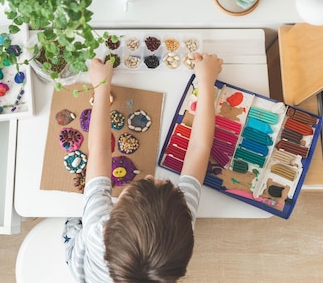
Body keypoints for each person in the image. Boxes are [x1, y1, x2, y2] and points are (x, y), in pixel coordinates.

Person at [63, 52, 223, 283]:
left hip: (84, 269)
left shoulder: (96, 228)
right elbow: (199, 147)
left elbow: (99, 149)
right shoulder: (177, 220)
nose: (149, 175)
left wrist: (101, 85)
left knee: (70, 220)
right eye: (165, 183)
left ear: (108, 225)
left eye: (139, 184)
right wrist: (207, 83)